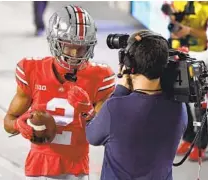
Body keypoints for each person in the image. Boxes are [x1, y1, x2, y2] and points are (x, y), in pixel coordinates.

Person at [4, 5, 115, 180]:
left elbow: (103, 135)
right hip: (39, 166)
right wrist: (19, 124)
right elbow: (8, 121)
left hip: (75, 168)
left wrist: (88, 111)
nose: (74, 54)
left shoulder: (100, 76)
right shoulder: (32, 70)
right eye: (68, 46)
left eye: (82, 48)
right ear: (55, 42)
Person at [67, 30, 188, 180]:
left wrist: (119, 90)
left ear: (129, 64)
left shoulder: (116, 108)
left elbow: (92, 136)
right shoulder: (179, 107)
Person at [168, 1, 208, 161]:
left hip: (201, 60)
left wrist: (189, 30)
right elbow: (172, 29)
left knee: (202, 104)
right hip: (180, 57)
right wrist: (175, 26)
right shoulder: (178, 2)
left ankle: (201, 144)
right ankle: (189, 137)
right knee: (181, 98)